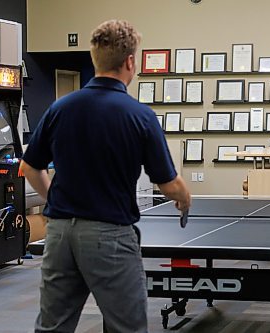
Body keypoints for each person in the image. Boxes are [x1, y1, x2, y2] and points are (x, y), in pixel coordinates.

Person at [20, 20, 191, 333]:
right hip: (109, 236)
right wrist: (184, 197)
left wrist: (55, 201)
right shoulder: (139, 115)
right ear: (129, 62)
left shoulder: (60, 108)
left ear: (94, 57)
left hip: (58, 235)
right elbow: (167, 183)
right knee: (126, 327)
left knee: (52, 327)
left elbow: (30, 167)